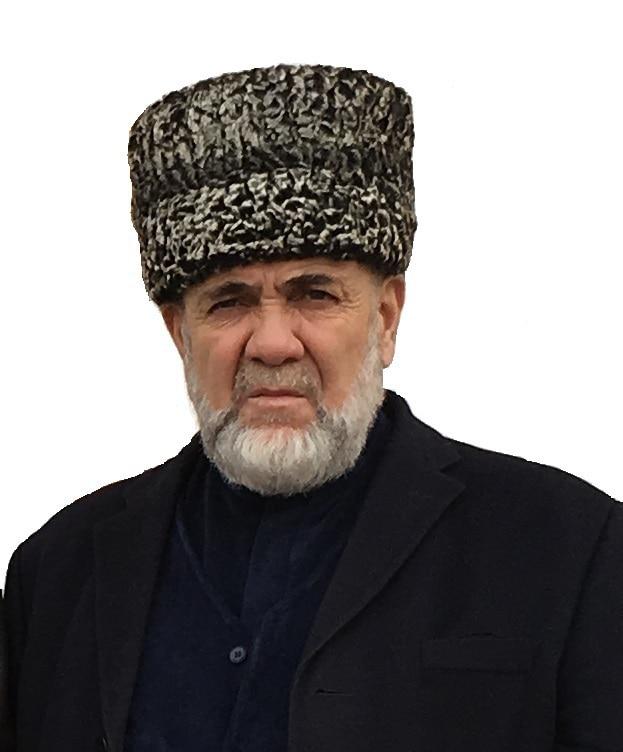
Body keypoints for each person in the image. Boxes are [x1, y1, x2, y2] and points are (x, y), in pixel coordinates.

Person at [2, 63, 621, 752]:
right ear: (179, 333)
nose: (272, 344)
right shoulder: (57, 574)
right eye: (228, 301)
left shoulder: (570, 547)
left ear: (384, 318)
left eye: (314, 295)